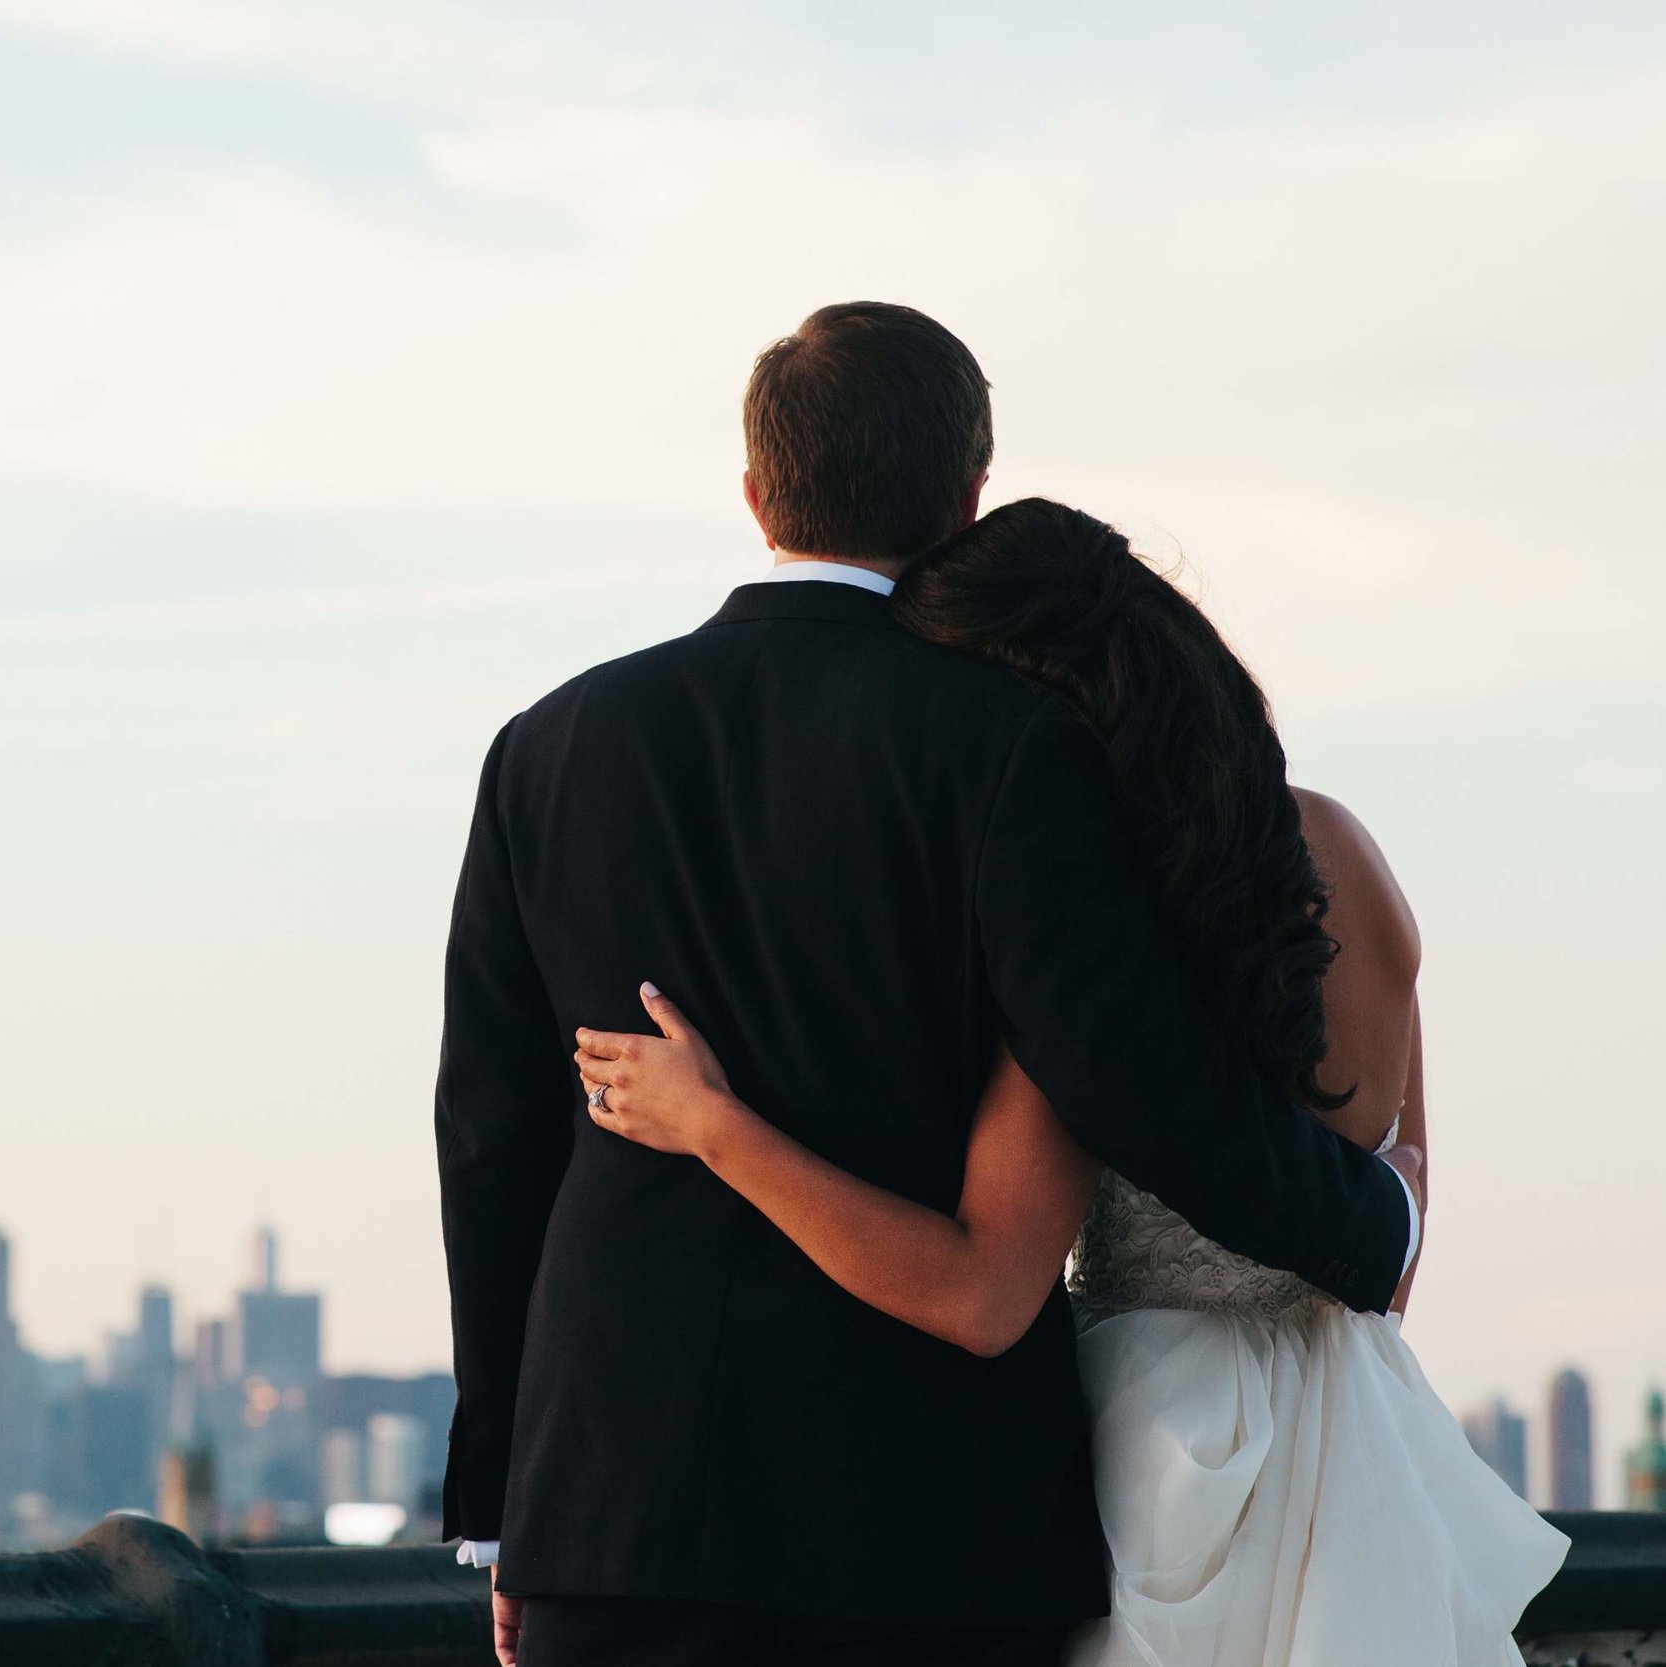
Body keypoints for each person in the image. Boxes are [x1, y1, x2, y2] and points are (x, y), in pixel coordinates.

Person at [433, 303, 1424, 1667]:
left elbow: (492, 1138)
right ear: (968, 492)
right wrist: (1372, 1225)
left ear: (754, 491)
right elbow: (1134, 1076)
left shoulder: (545, 748)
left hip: (613, 1509)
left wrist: (499, 1506)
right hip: (926, 1532)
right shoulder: (1015, 745)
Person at [572, 497, 1568, 1665]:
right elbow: (1389, 1231)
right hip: (1354, 1448)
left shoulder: (1085, 935)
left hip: (1139, 1445)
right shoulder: (1338, 855)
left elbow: (983, 1280)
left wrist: (715, 1124)